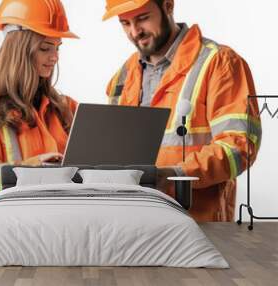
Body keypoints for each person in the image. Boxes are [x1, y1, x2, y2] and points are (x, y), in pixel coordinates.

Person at [103, 0, 262, 222]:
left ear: (168, 6)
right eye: (125, 23)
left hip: (199, 227)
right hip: (134, 223)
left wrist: (176, 175)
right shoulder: (123, 75)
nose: (135, 32)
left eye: (142, 19)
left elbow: (239, 147)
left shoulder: (219, 63)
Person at [0, 0, 78, 200]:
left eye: (57, 47)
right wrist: (34, 166)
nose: (55, 57)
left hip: (66, 214)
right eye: (45, 48)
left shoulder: (67, 107)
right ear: (19, 49)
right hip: (14, 218)